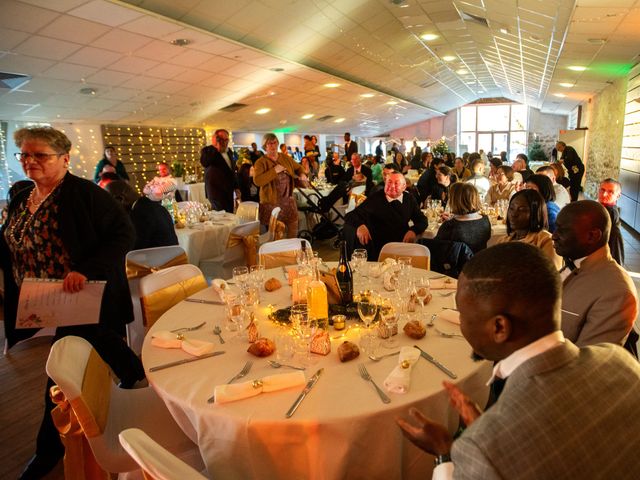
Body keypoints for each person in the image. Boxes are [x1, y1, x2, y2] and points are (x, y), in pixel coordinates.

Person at [397, 241, 640, 479]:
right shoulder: (620, 360)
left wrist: (444, 453)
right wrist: (488, 428)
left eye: (462, 314)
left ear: (500, 327)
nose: (460, 323)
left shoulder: (482, 450)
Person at [1, 127, 144, 479]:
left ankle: (45, 455)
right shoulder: (22, 197)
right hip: (42, 299)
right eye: (24, 155)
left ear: (65, 159)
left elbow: (124, 233)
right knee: (101, 344)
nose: (30, 161)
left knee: (62, 373)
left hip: (81, 296)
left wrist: (85, 268)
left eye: (40, 155)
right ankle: (134, 376)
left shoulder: (84, 193)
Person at [552, 200, 637, 346]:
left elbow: (588, 361)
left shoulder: (616, 292)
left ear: (592, 236)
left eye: (563, 230)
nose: (554, 236)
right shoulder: (573, 263)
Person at [344, 172, 427, 259]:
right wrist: (360, 226)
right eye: (389, 182)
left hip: (401, 246)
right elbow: (351, 215)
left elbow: (422, 220)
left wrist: (413, 231)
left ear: (404, 186)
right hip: (378, 247)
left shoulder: (409, 199)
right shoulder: (375, 198)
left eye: (396, 183)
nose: (392, 186)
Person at [253, 133, 307, 238]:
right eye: (270, 143)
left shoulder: (285, 158)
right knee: (275, 234)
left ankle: (292, 252)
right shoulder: (260, 162)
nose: (273, 145)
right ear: (265, 146)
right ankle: (278, 254)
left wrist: (302, 173)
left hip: (288, 200)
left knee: (293, 229)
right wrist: (274, 171)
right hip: (271, 202)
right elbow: (257, 181)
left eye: (275, 142)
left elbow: (299, 167)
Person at [496, 189, 562, 269]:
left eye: (522, 210)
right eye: (511, 208)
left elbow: (552, 277)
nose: (514, 214)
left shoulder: (546, 241)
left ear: (535, 213)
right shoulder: (503, 241)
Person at [106, 180, 178, 250]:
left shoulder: (137, 214)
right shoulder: (157, 207)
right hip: (175, 260)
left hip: (155, 260)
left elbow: (133, 249)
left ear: (120, 199)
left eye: (111, 205)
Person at [435, 182, 491, 253]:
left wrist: (447, 223)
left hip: (461, 263)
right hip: (481, 261)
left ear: (455, 201)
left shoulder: (450, 225)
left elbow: (437, 247)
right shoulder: (485, 220)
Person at [200, 128, 240, 213]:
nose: (224, 142)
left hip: (228, 190)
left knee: (229, 213)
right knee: (220, 216)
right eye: (221, 139)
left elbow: (232, 171)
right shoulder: (208, 150)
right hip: (215, 191)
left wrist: (236, 187)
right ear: (215, 139)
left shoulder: (229, 152)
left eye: (226, 140)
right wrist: (217, 147)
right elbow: (204, 162)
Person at [598, 178, 624, 265]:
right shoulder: (600, 208)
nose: (604, 194)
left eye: (610, 192)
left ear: (618, 196)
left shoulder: (610, 214)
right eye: (602, 190)